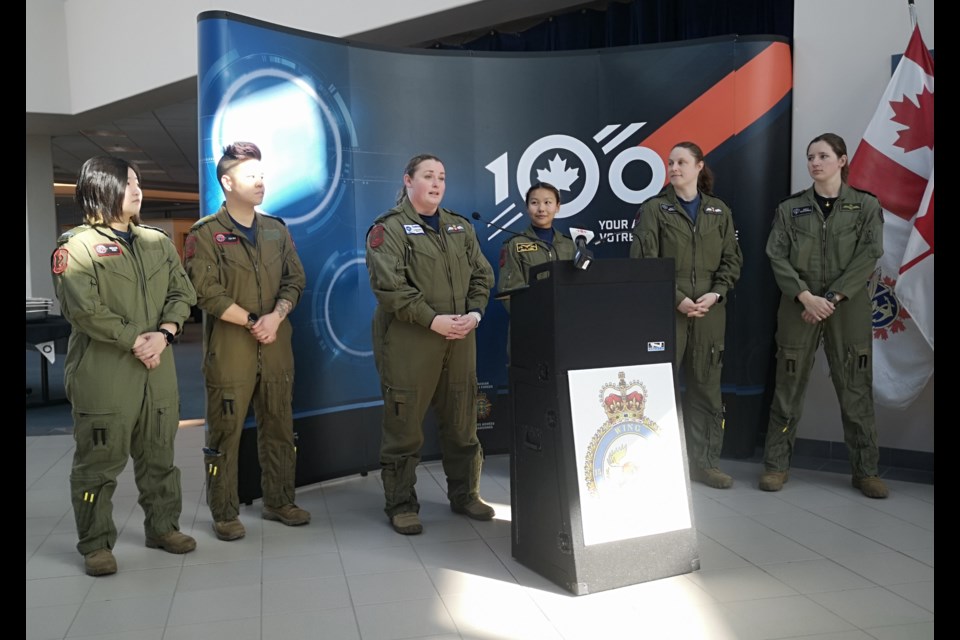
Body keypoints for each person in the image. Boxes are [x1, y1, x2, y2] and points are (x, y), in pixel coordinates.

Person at [51, 156, 198, 576]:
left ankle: (163, 527)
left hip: (159, 369)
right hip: (105, 373)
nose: (137, 190)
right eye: (127, 183)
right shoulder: (75, 247)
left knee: (160, 457)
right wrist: (138, 339)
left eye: (137, 182)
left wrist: (165, 333)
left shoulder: (155, 241)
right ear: (100, 188)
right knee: (99, 463)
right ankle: (95, 543)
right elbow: (84, 310)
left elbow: (181, 291)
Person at [184, 141, 310, 541]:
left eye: (261, 174)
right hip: (230, 350)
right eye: (250, 175)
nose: (260, 182)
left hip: (276, 344)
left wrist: (276, 317)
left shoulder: (275, 229)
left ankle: (279, 501)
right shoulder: (206, 234)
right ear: (226, 181)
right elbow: (205, 290)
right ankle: (224, 512)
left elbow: (295, 279)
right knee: (225, 434)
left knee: (279, 427)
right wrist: (254, 320)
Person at [365, 153, 496, 535]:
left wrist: (474, 314)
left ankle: (465, 494)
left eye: (441, 176)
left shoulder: (459, 227)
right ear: (408, 181)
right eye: (427, 176)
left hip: (460, 338)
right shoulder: (388, 229)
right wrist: (433, 320)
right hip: (411, 342)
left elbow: (481, 276)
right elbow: (390, 287)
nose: (436, 183)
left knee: (462, 422)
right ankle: (401, 503)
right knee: (404, 428)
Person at [759, 133, 887, 498]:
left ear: (842, 161)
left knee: (856, 389)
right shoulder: (790, 208)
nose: (815, 162)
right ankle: (776, 465)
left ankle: (866, 470)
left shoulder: (864, 206)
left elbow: (869, 255)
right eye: (810, 157)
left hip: (847, 308)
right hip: (799, 306)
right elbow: (776, 255)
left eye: (823, 156)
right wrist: (805, 297)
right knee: (788, 387)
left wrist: (829, 298)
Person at [629, 141, 743, 489]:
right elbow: (644, 263)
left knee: (706, 389)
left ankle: (705, 464)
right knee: (658, 389)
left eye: (681, 162)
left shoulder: (719, 211)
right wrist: (676, 298)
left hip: (710, 311)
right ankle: (650, 467)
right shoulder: (654, 210)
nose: (674, 168)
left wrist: (717, 292)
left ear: (698, 167)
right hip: (668, 312)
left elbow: (732, 259)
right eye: (670, 162)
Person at [497, 181, 576, 312]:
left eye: (548, 202)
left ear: (557, 207)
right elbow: (508, 293)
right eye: (534, 203)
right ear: (527, 207)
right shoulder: (514, 244)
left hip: (565, 322)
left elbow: (575, 287)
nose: (541, 209)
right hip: (530, 324)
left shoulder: (569, 244)